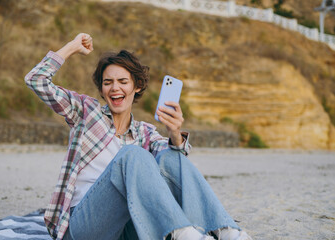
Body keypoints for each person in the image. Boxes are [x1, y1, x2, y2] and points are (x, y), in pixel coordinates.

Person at [25, 33, 252, 240]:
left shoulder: (145, 132)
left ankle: (229, 232)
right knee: (131, 155)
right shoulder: (85, 111)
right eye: (108, 82)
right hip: (84, 226)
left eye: (123, 82)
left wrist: (174, 133)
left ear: (137, 86)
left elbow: (176, 162)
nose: (115, 88)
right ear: (102, 89)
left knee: (170, 156)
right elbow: (36, 80)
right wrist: (72, 47)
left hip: (129, 227)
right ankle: (185, 235)